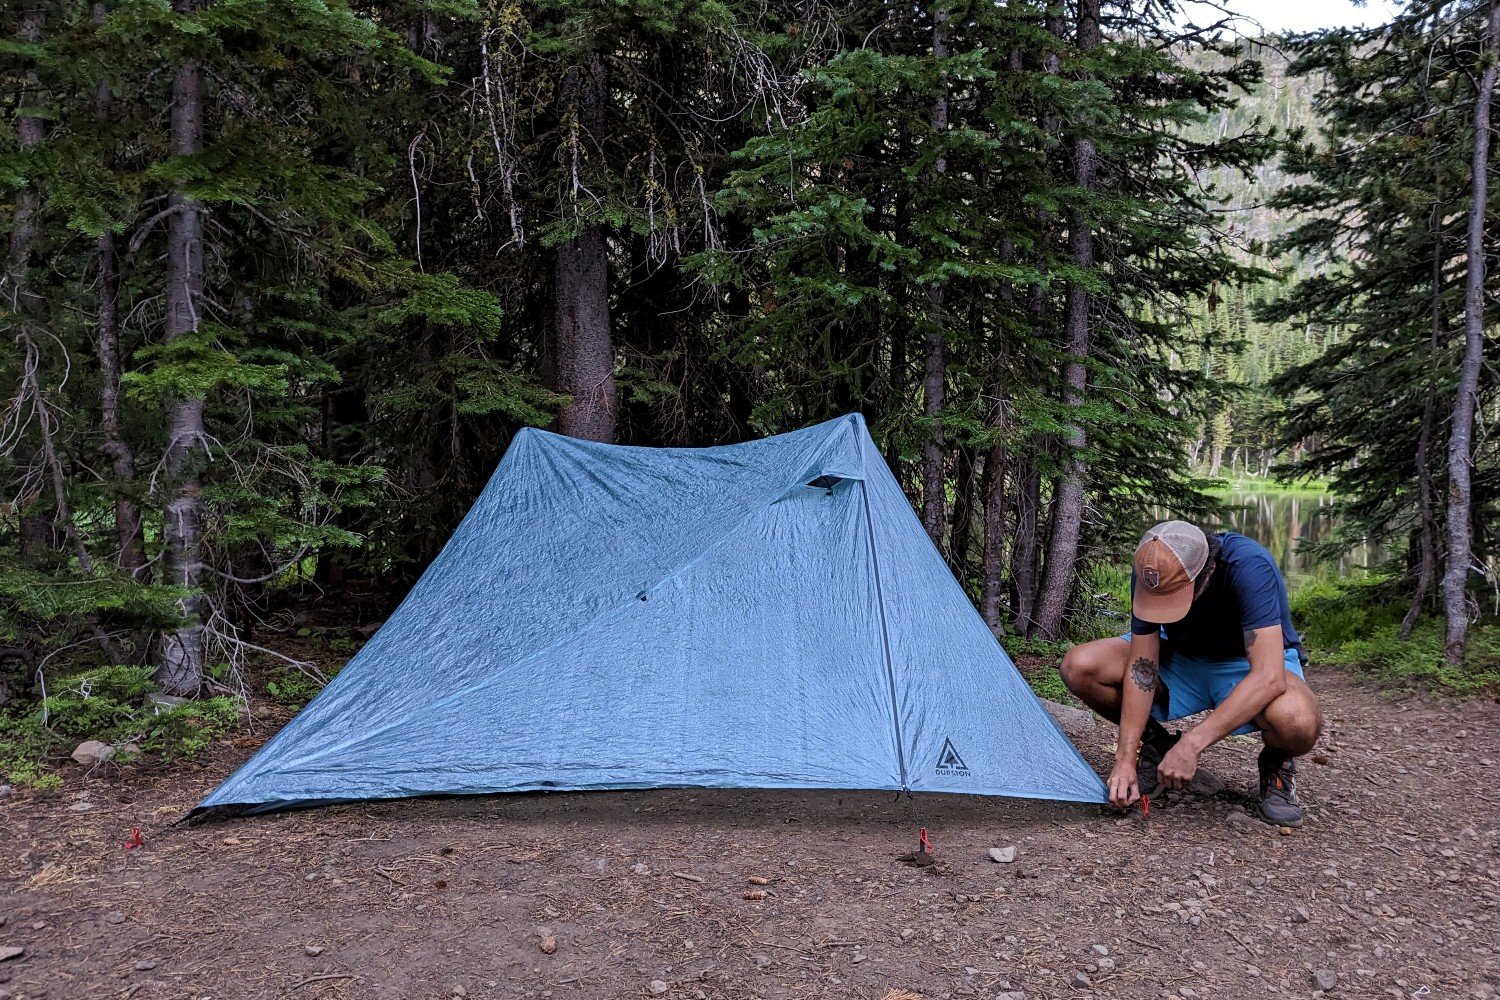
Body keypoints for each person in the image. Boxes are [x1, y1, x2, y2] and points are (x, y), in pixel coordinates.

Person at [1060, 520, 1323, 826]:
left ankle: (1277, 761)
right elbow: (1143, 666)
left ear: (1206, 572)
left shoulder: (1248, 567)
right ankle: (1157, 746)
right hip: (1180, 659)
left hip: (1249, 664)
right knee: (1079, 666)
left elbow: (1268, 676)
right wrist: (1125, 757)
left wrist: (1192, 744)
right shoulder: (1152, 567)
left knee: (1298, 720)